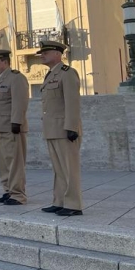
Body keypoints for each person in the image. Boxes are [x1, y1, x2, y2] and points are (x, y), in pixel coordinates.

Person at [36, 41, 83, 216]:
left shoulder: (67, 73)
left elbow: (72, 102)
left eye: (45, 52)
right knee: (59, 169)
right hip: (52, 128)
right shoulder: (50, 75)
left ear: (57, 54)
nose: (42, 55)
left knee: (69, 168)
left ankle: (73, 205)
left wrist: (71, 127)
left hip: (64, 129)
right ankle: (60, 201)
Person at [0, 49, 30, 205]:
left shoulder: (16, 78)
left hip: (11, 127)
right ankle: (8, 190)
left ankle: (18, 194)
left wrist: (16, 122)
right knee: (3, 163)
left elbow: (20, 101)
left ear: (5, 61)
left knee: (14, 163)